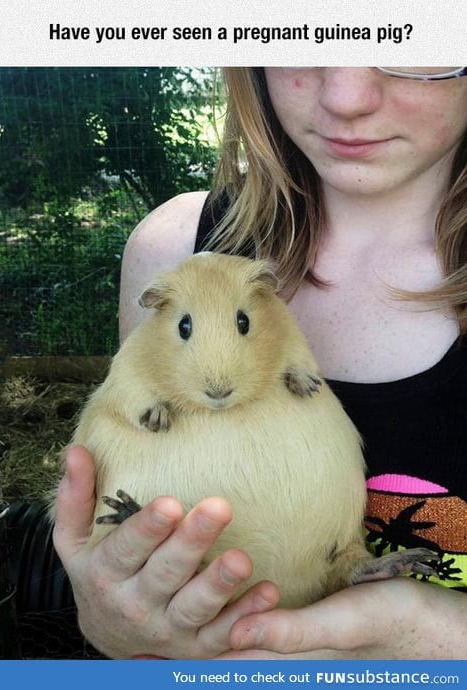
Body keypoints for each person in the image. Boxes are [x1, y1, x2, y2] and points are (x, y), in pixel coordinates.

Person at [53, 67, 467, 659]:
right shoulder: (175, 250)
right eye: (303, 33)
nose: (346, 98)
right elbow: (122, 480)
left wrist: (429, 634)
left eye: (417, 39)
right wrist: (114, 623)